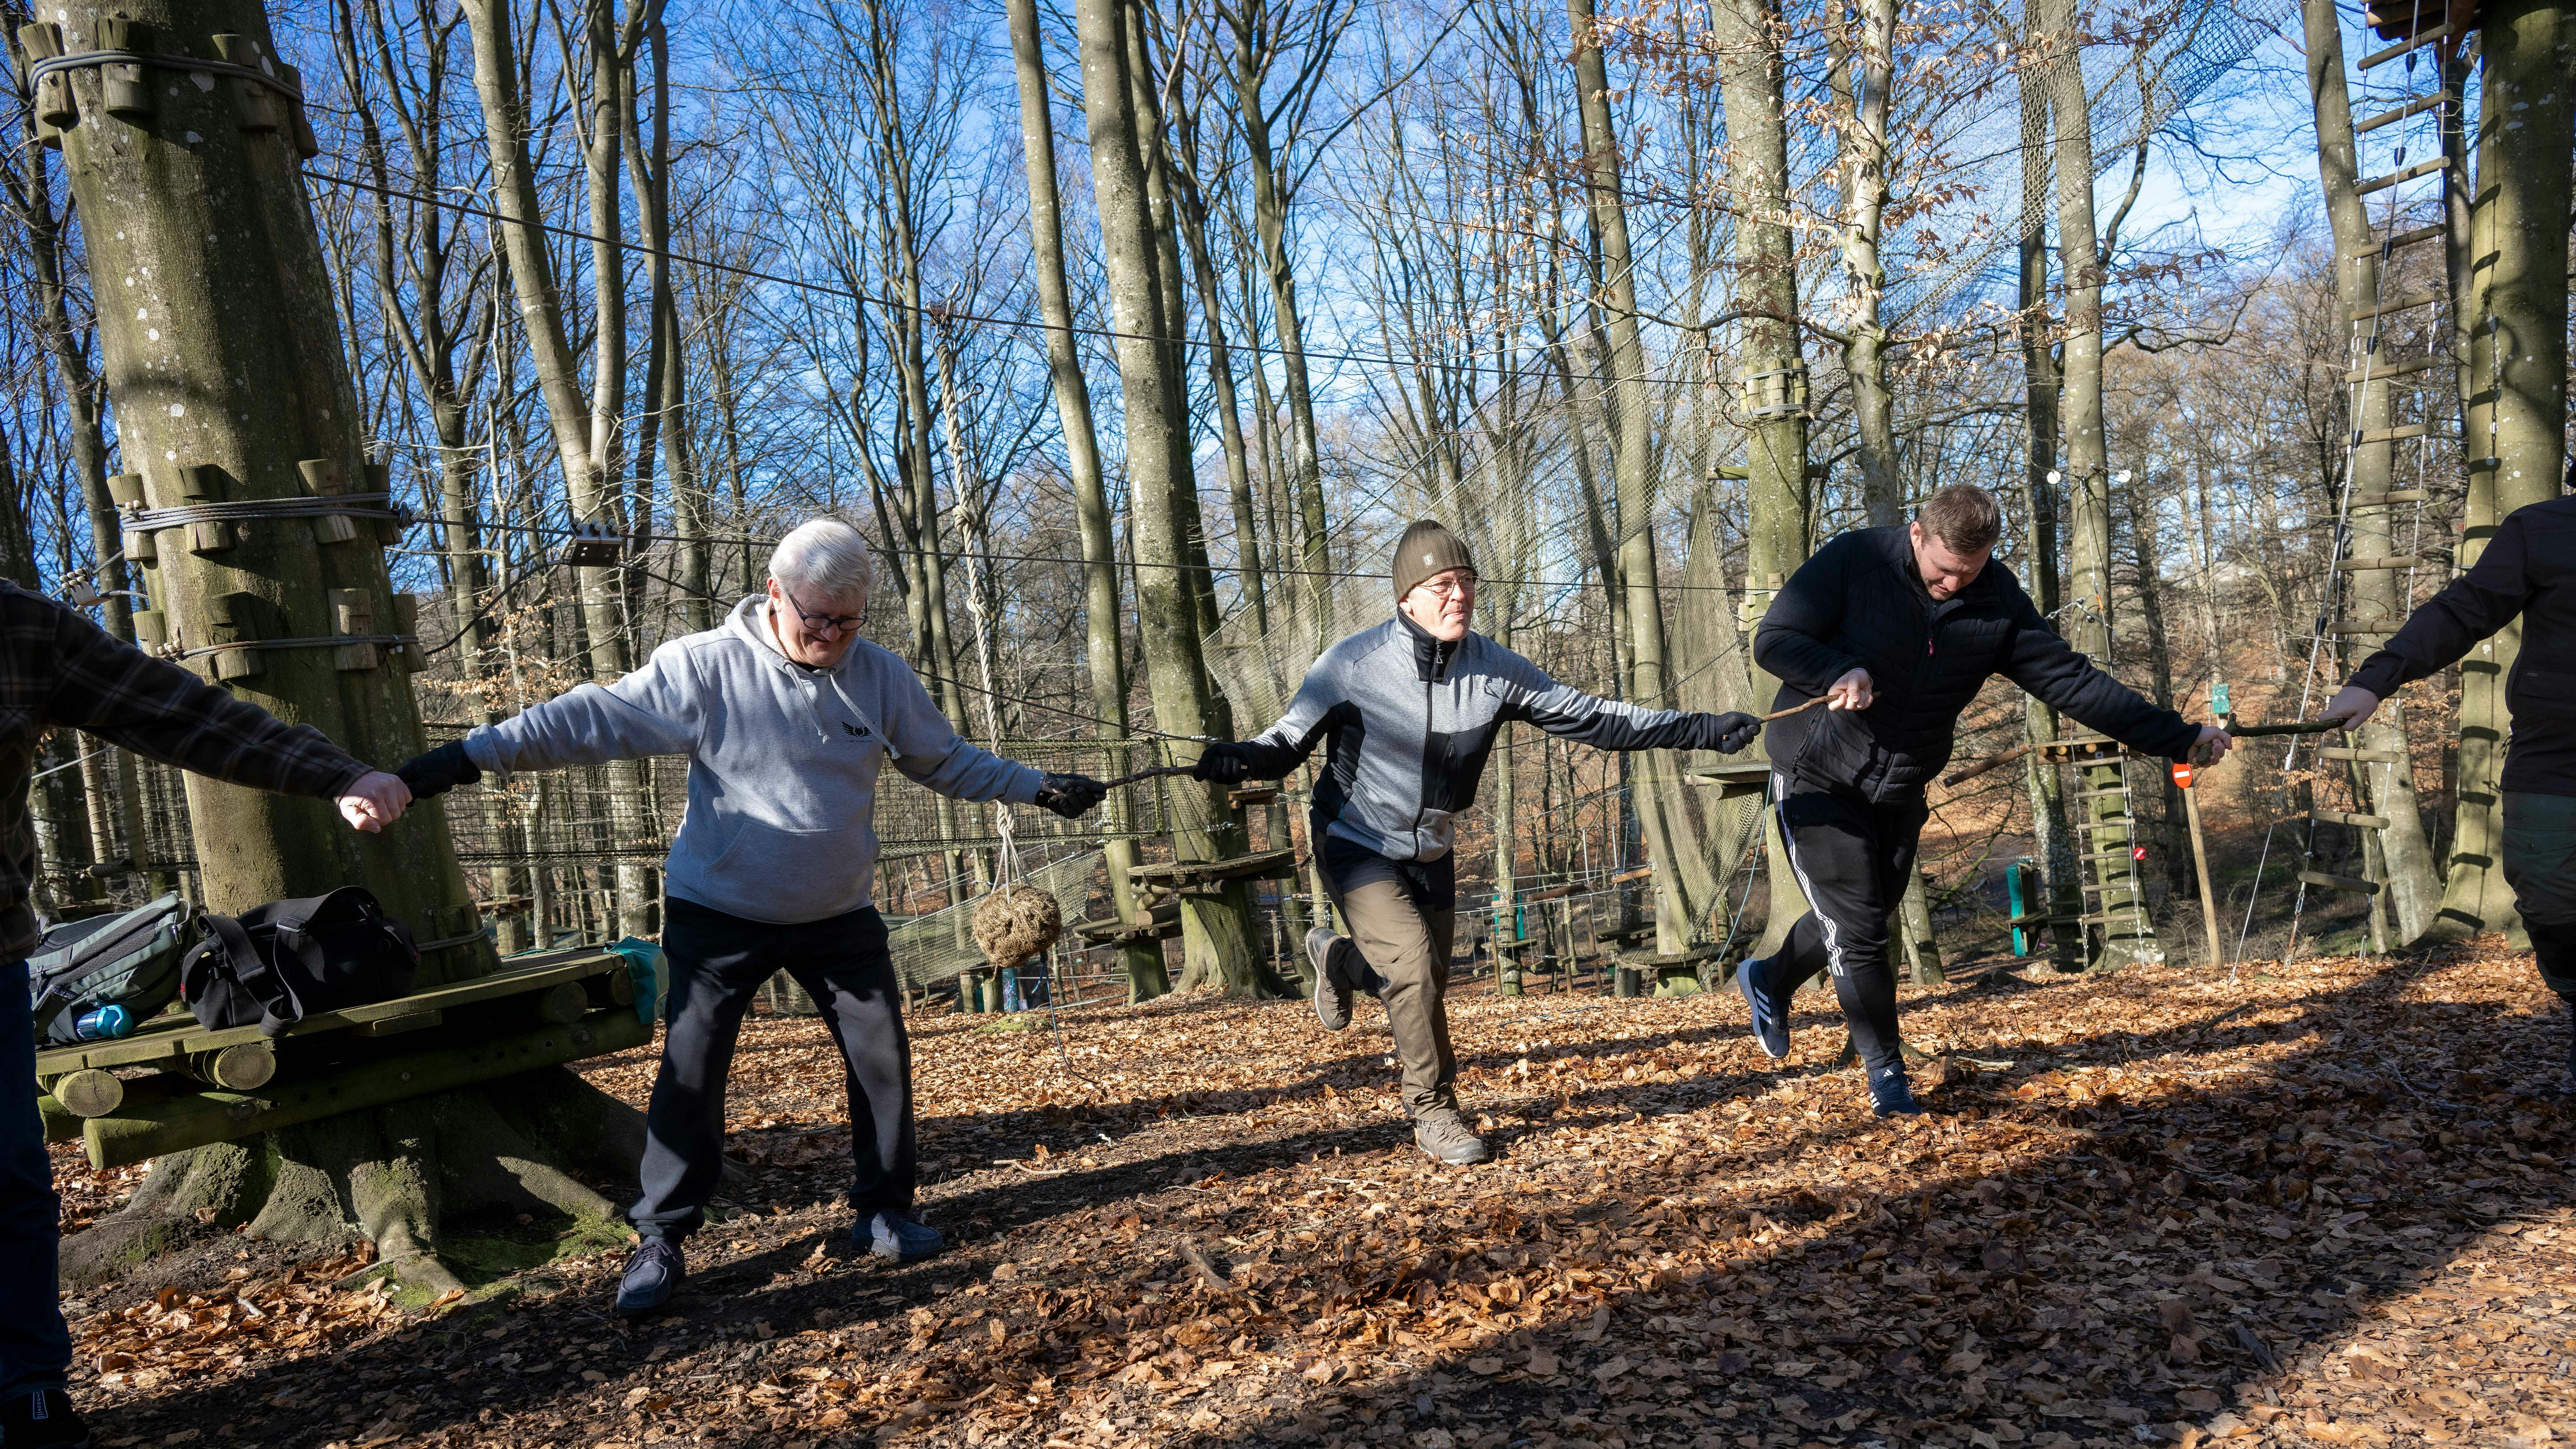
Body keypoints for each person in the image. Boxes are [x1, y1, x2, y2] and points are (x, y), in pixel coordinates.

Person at [393, 519, 1108, 1316]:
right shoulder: (704, 668)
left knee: (882, 1061)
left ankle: (884, 1211)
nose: (833, 637)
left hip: (840, 914)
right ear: (776, 594)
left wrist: (1036, 786)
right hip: (720, 911)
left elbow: (943, 761)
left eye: (850, 622)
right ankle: (661, 1236)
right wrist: (458, 760)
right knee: (691, 1072)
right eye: (818, 620)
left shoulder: (880, 676)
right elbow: (590, 719)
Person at [1194, 520, 1764, 1166]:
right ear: (1407, 597)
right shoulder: (1351, 666)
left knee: (1423, 980)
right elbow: (1283, 744)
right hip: (1354, 840)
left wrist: (1698, 728)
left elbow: (1596, 718)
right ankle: (1433, 1111)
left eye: (1466, 584)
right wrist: (1238, 760)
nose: (1458, 596)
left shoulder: (1495, 670)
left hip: (1430, 848)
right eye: (1441, 585)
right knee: (1412, 969)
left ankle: (1341, 962)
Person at [0, 583, 412, 1449]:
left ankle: (27, 1394)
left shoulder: (15, 626)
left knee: (6, 1183)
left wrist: (337, 771)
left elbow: (174, 708)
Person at [1740, 484, 2234, 1116]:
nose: (1952, 585)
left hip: (1897, 784)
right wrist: (1835, 668)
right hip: (1816, 770)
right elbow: (1775, 639)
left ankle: (1770, 979)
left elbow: (2071, 682)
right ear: (1917, 535)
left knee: (1863, 916)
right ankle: (1888, 1079)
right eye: (1943, 571)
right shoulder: (1854, 561)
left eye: (1968, 573)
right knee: (1858, 927)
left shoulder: (1995, 600)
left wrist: (2179, 736)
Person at [2319, 493, 2576, 1090]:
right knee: (2549, 893)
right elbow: (2463, 610)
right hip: (2555, 758)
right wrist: (2374, 682)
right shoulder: (2543, 528)